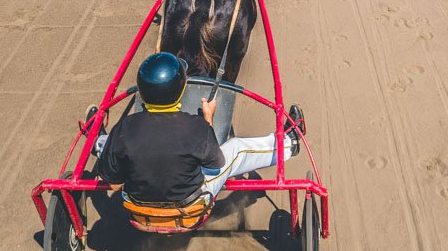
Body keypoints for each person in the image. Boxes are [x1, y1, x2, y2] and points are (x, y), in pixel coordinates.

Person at [94, 52, 299, 204]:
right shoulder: (194, 126)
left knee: (112, 145)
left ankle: (97, 139)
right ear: (181, 88)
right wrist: (208, 119)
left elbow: (113, 184)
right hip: (190, 203)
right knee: (238, 148)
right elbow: (215, 161)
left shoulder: (124, 127)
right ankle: (290, 144)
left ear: (142, 90)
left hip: (138, 206)